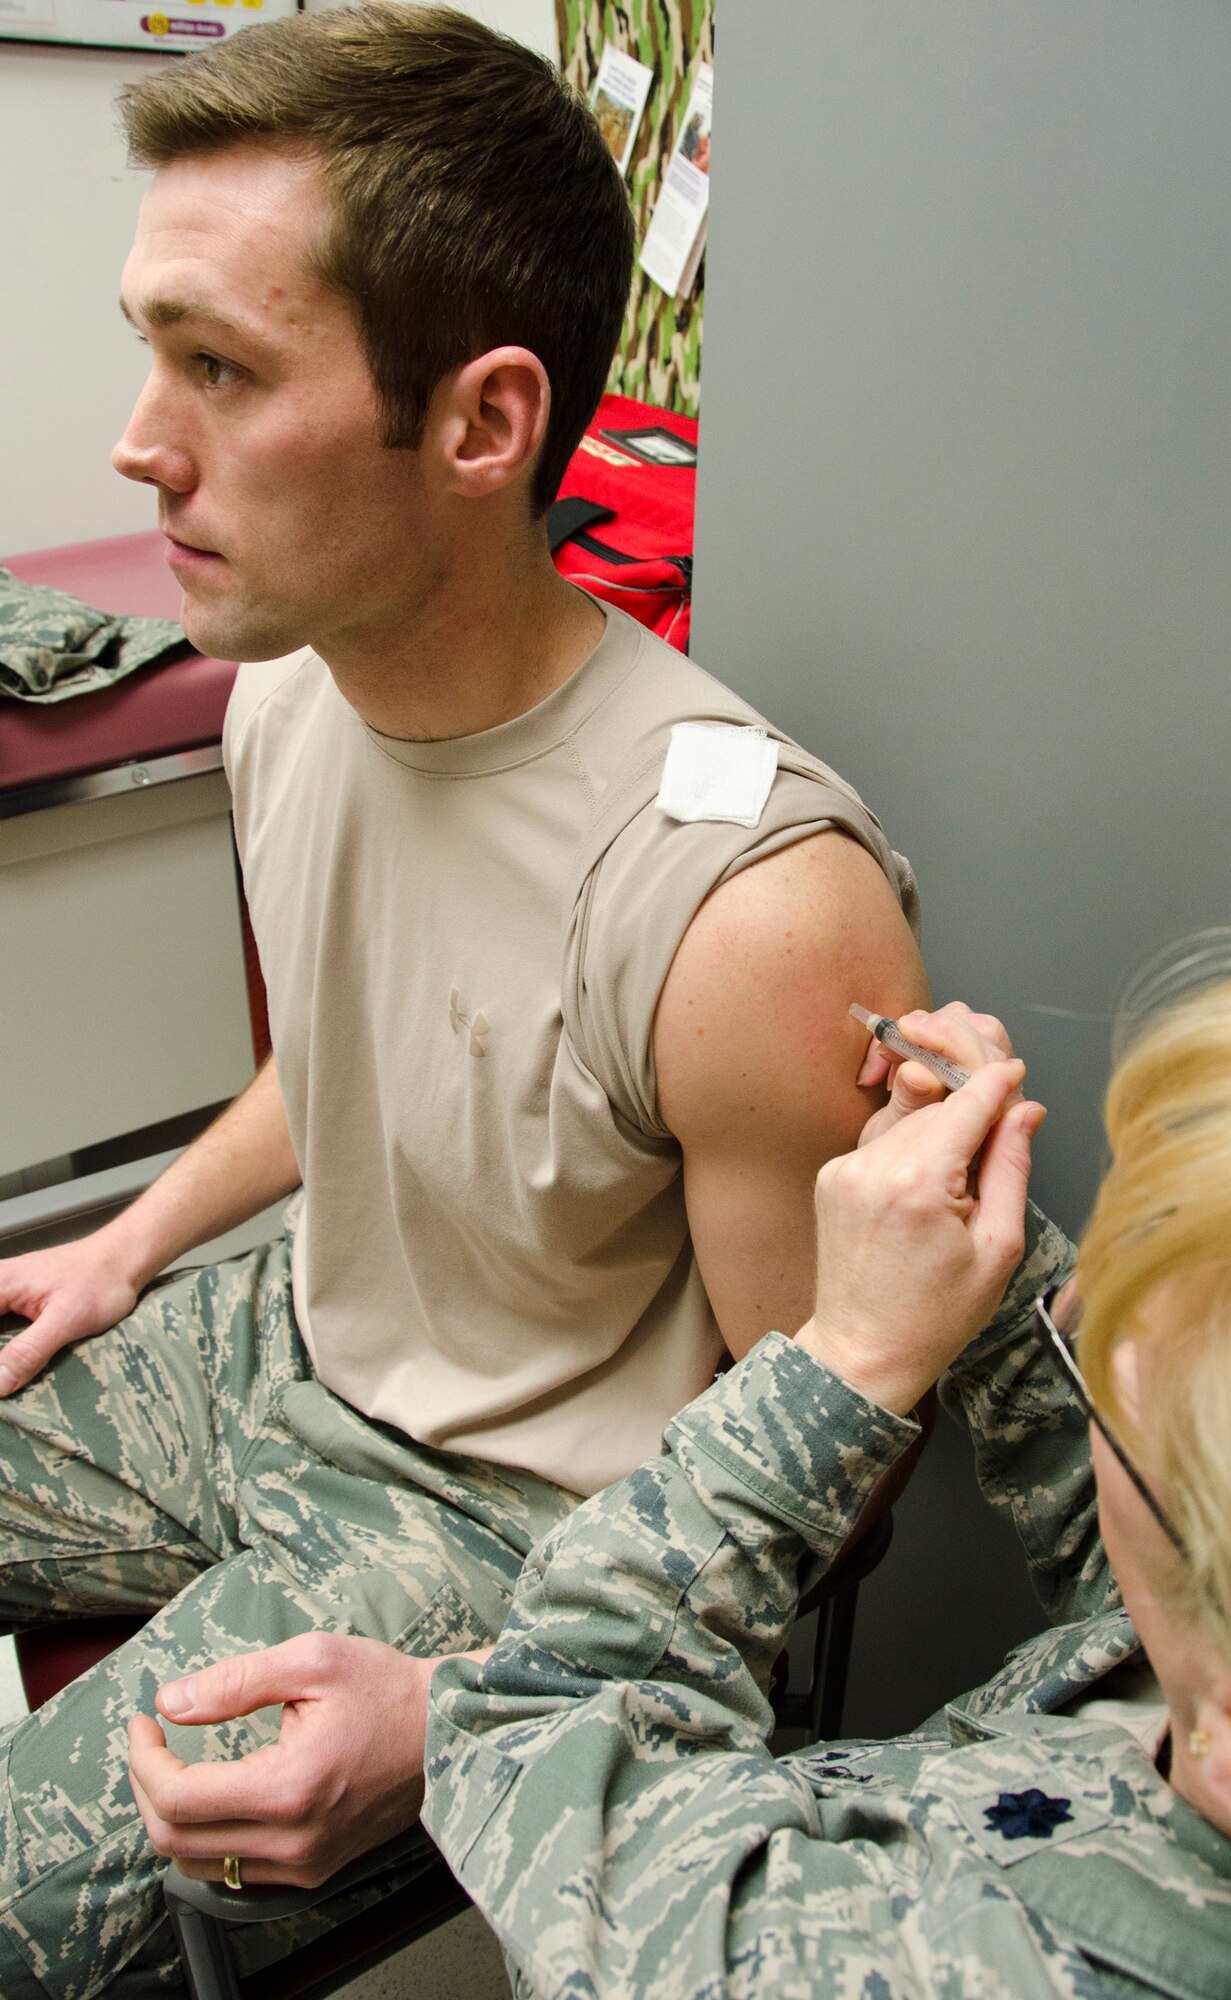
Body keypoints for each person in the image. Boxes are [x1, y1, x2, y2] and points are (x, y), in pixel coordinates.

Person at [0, 8, 932, 1993]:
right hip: (297, 1330)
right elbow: (368, 1055)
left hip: (516, 1524)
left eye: (220, 370)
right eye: (152, 348)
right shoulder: (291, 685)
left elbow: (806, 1512)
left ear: (485, 424)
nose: (137, 441)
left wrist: (470, 1704)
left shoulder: (749, 908)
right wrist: (128, 1241)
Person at [396, 929, 1231, 1994]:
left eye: (1116, 1394)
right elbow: (1146, 1561)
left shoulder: (856, 1960)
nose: (1090, 1360)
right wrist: (986, 1262)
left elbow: (541, 1728)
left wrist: (847, 1357)